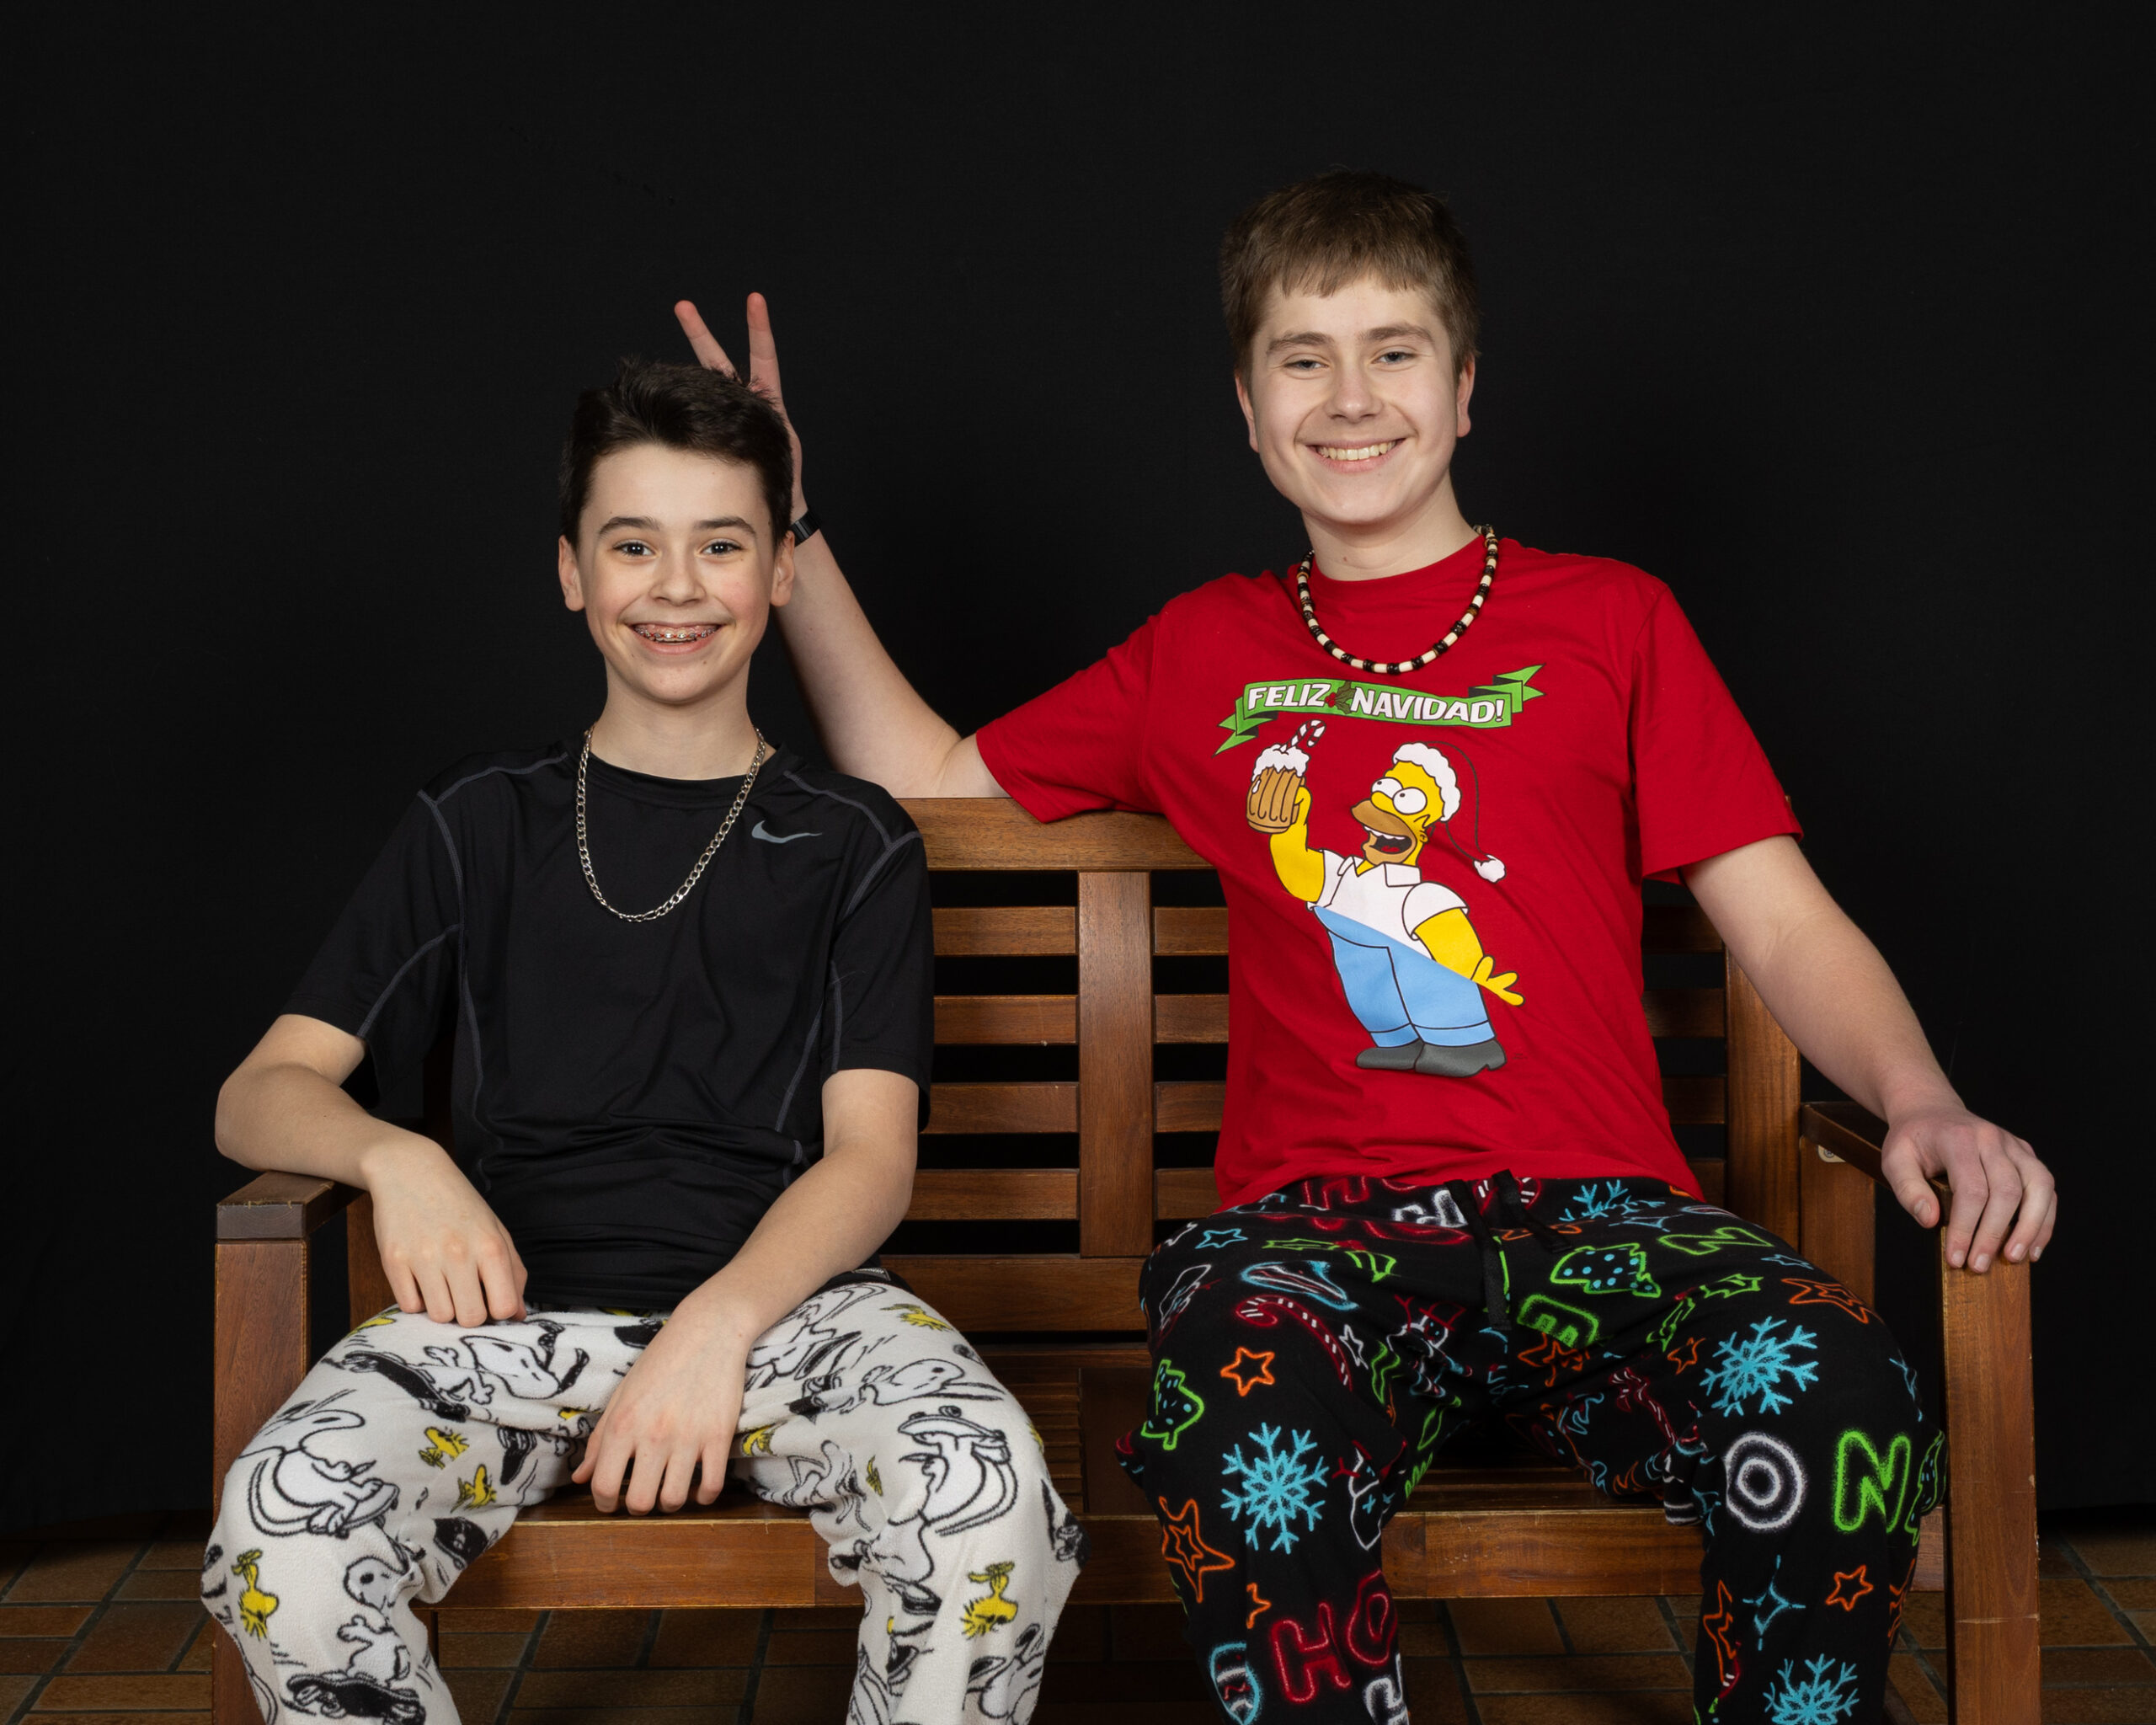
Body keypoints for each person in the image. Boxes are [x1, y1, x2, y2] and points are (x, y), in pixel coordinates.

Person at [675, 168, 2057, 1724]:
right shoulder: (1203, 650)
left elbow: (1784, 918)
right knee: (1235, 1421)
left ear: (1463, 391)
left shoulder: (1613, 621)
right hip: (1318, 1241)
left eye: (1394, 352)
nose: (1349, 398)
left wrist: (1920, 1098)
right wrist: (790, 523)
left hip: (1607, 1222)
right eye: (1302, 358)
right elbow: (925, 774)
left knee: (1841, 1390)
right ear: (1249, 408)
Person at [203, 360, 1083, 1725]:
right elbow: (256, 1095)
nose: (678, 586)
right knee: (280, 1524)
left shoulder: (854, 843)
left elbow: (872, 1160)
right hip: (501, 1324)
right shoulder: (476, 821)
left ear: (780, 570)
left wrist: (718, 1325)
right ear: (572, 570)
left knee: (993, 1506)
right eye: (633, 545)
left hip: (791, 1317)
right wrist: (397, 1160)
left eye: (721, 544)